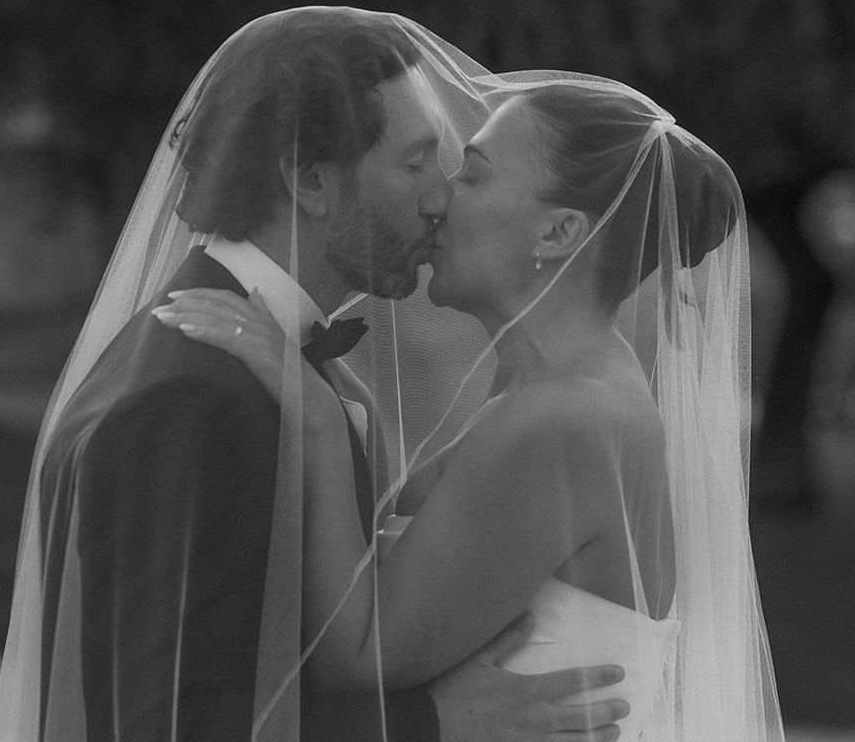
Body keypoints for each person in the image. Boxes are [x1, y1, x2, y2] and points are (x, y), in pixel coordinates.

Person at [0, 8, 629, 742]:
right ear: (312, 182)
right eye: (416, 162)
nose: (439, 197)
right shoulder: (190, 398)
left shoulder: (268, 372)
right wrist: (428, 724)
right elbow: (162, 724)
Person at [157, 76, 786, 742]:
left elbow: (362, 656)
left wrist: (315, 420)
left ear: (560, 231)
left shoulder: (559, 421)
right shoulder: (558, 391)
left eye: (473, 178)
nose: (437, 200)